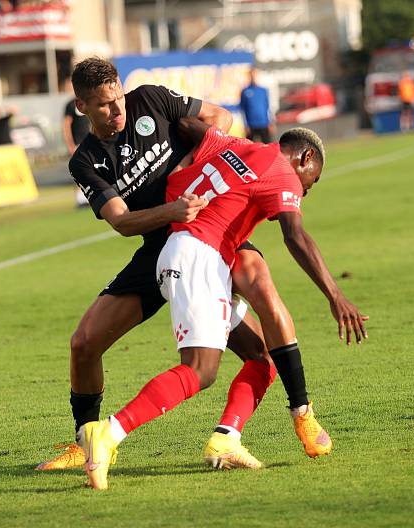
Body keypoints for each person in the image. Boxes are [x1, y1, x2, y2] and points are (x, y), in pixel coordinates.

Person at [36, 57, 342, 473]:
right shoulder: (86, 160)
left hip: (214, 226)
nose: (117, 110)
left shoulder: (151, 100)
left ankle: (301, 411)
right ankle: (87, 440)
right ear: (81, 107)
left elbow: (219, 117)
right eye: (105, 105)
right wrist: (174, 208)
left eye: (118, 98)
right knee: (83, 343)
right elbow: (123, 221)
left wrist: (198, 163)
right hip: (164, 242)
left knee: (260, 293)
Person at [79, 120, 367, 489]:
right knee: (201, 370)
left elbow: (192, 127)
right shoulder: (282, 170)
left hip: (188, 254)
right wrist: (335, 295)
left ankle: (226, 438)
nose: (304, 191)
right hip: (199, 256)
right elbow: (295, 236)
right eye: (311, 180)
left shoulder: (238, 146)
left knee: (262, 357)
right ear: (305, 157)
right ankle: (107, 433)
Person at [62, 78, 92, 206]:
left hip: (90, 141)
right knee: (79, 170)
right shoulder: (70, 105)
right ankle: (80, 199)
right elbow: (66, 125)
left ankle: (92, 196)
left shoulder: (87, 101)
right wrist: (70, 144)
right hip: (78, 143)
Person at [239, 68, 274, 143]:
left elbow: (268, 107)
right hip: (251, 125)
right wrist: (245, 125)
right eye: (251, 75)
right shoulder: (245, 91)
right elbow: (242, 109)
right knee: (250, 147)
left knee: (267, 147)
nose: (253, 77)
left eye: (254, 75)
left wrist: (270, 122)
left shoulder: (263, 90)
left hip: (264, 124)